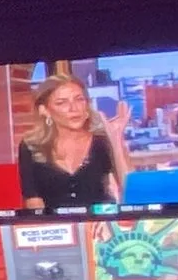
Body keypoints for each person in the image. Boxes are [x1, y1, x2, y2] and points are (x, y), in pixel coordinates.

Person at [18, 74, 131, 212]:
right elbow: (33, 201)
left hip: (102, 225)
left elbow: (132, 191)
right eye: (62, 102)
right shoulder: (31, 146)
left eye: (79, 100)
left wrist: (117, 139)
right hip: (55, 228)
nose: (74, 108)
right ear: (45, 110)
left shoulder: (102, 141)